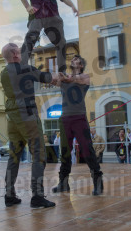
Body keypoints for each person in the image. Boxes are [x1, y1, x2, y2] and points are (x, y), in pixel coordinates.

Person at [1, 43, 58, 208]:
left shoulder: (3, 73)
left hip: (12, 117)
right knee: (39, 154)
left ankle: (9, 195)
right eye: (19, 51)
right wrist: (61, 76)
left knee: (14, 155)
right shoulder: (25, 69)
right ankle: (38, 196)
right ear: (16, 55)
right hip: (27, 115)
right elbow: (48, 78)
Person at [52, 55, 103, 195]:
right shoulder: (64, 80)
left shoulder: (84, 77)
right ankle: (63, 183)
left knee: (87, 150)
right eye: (72, 60)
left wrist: (65, 77)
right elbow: (53, 81)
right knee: (65, 152)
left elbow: (75, 79)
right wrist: (57, 76)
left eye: (77, 60)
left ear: (80, 65)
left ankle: (98, 182)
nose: (73, 61)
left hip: (79, 118)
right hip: (65, 119)